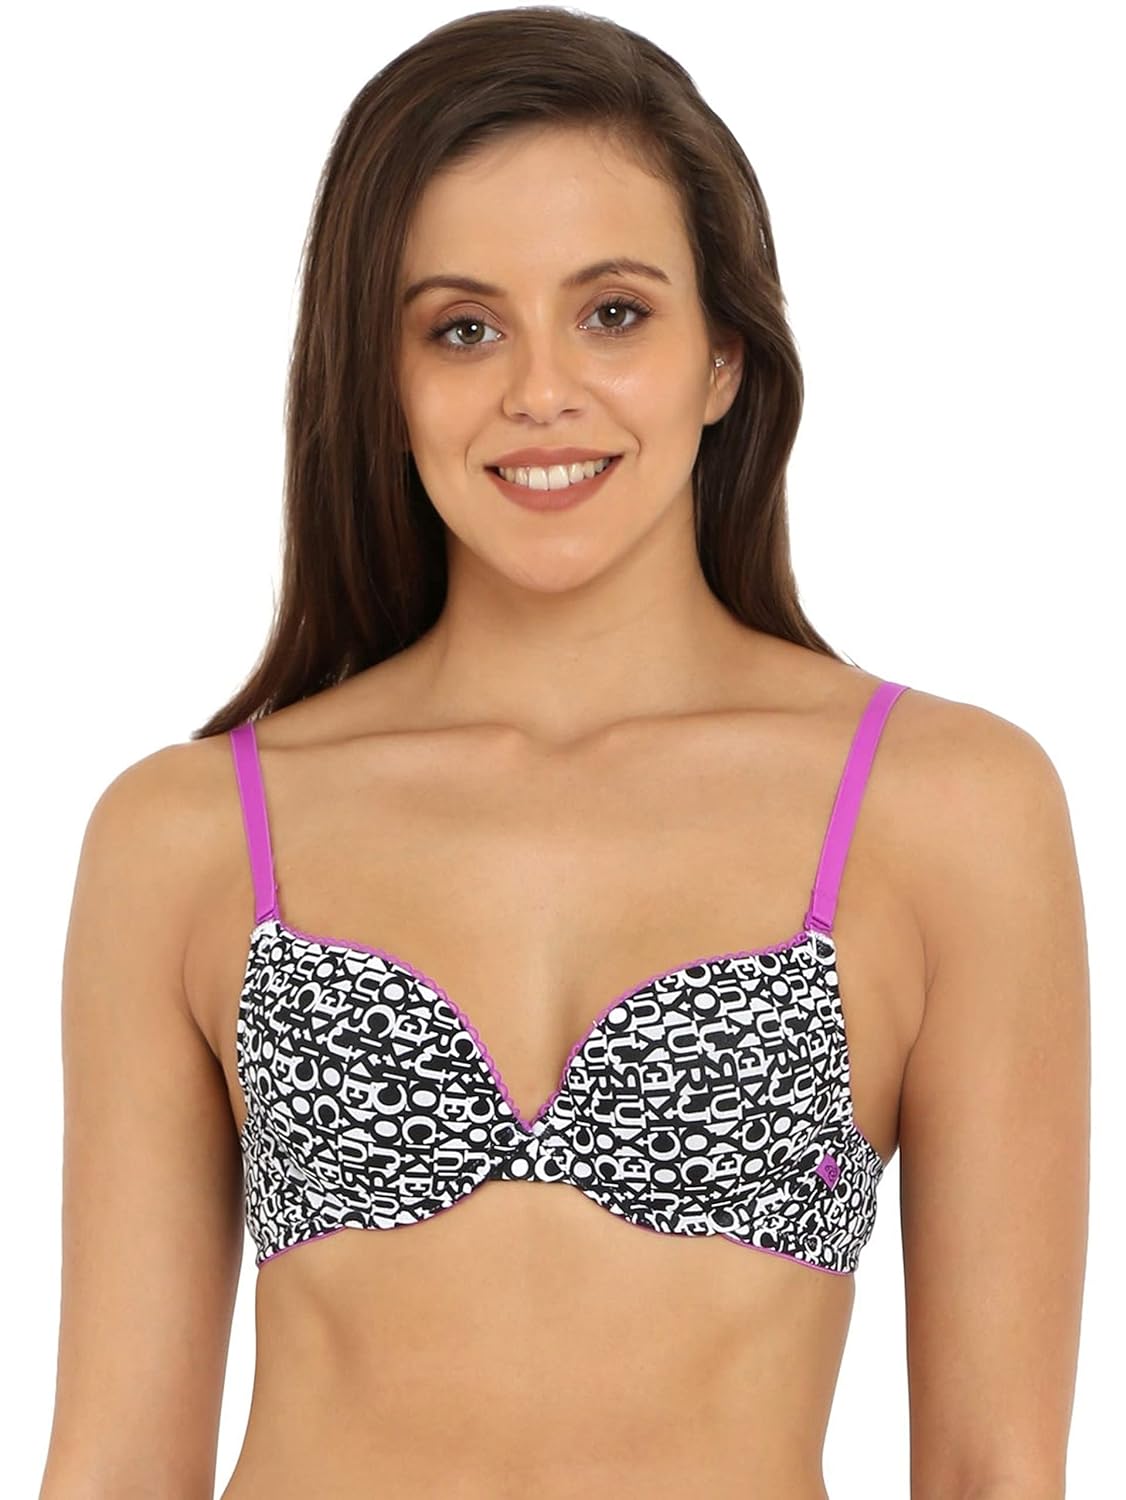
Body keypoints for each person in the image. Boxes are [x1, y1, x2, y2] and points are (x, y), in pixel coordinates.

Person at [39, 7, 1089, 1498]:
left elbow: (993, 1469)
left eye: (612, 313)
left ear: (722, 356)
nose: (540, 392)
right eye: (462, 329)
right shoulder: (189, 831)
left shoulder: (944, 807)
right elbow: (115, 1470)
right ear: (384, 380)